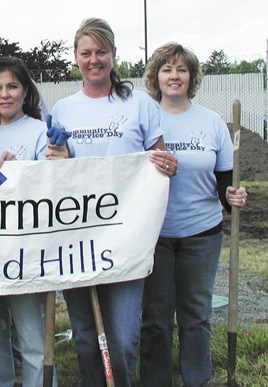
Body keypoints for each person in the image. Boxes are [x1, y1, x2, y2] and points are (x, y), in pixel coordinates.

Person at [45, 18, 178, 386]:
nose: (94, 60)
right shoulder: (64, 109)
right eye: (86, 53)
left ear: (113, 54)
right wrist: (56, 154)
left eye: (101, 51)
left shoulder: (140, 105)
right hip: (78, 236)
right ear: (75, 57)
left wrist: (167, 164)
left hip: (127, 238)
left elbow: (159, 158)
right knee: (86, 336)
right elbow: (57, 170)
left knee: (120, 338)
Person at [139, 42, 248, 386]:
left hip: (202, 234)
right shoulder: (144, 119)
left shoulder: (212, 122)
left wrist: (233, 196)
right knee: (155, 317)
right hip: (154, 236)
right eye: (167, 69)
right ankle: (156, 380)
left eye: (182, 70)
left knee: (196, 315)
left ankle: (197, 379)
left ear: (192, 76)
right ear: (156, 76)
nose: (175, 76)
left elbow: (224, 184)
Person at [0, 56, 59, 387]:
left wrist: (17, 173)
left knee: (32, 338)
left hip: (27, 253)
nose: (4, 94)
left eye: (12, 86)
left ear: (25, 91)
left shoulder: (40, 131)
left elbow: (48, 190)